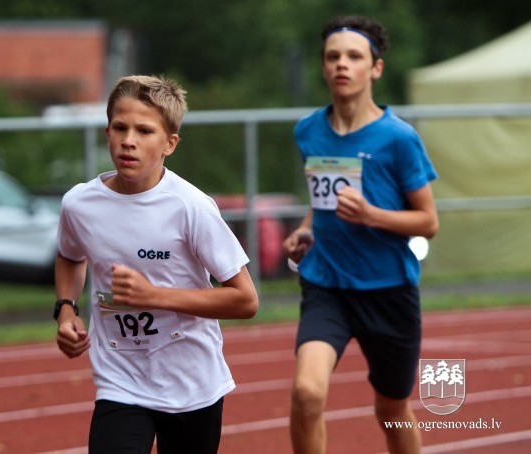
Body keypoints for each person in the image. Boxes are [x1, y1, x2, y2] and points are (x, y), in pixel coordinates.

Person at [54, 75, 259, 454]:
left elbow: (245, 300)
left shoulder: (191, 207)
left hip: (192, 384)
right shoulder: (79, 204)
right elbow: (70, 255)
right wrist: (66, 309)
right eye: (120, 128)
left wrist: (155, 296)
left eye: (144, 131)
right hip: (120, 380)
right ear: (107, 133)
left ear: (170, 143)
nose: (128, 140)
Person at [283, 16, 439, 454]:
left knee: (392, 409)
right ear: (323, 66)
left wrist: (371, 215)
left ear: (376, 68)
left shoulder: (399, 138)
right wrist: (306, 228)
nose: (342, 64)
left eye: (354, 56)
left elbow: (428, 222)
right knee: (307, 393)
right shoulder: (308, 130)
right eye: (333, 56)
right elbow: (322, 197)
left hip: (388, 291)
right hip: (327, 287)